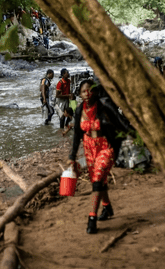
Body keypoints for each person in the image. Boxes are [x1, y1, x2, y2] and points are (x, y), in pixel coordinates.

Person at [67, 79, 133, 234]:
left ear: (96, 91)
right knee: (99, 180)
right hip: (88, 148)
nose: (87, 94)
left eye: (90, 90)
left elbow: (121, 123)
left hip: (106, 146)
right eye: (84, 91)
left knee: (97, 180)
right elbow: (77, 134)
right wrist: (72, 155)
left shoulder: (104, 106)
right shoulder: (78, 110)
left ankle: (92, 218)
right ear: (80, 94)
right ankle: (107, 207)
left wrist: (137, 137)